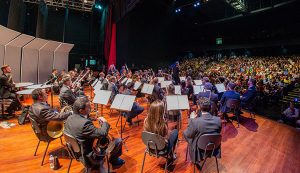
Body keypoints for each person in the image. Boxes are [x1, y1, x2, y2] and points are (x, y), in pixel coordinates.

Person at [64, 97, 124, 170]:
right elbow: (103, 133)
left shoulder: (70, 118)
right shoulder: (85, 124)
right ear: (81, 111)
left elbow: (81, 123)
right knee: (118, 141)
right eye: (88, 107)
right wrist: (105, 122)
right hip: (89, 157)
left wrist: (92, 119)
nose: (91, 107)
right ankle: (114, 161)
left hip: (77, 153)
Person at [183, 98, 222, 165]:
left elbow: (187, 134)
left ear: (199, 108)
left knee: (186, 134)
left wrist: (191, 120)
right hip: (213, 148)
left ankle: (194, 157)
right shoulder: (218, 120)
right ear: (210, 107)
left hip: (199, 150)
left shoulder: (195, 121)